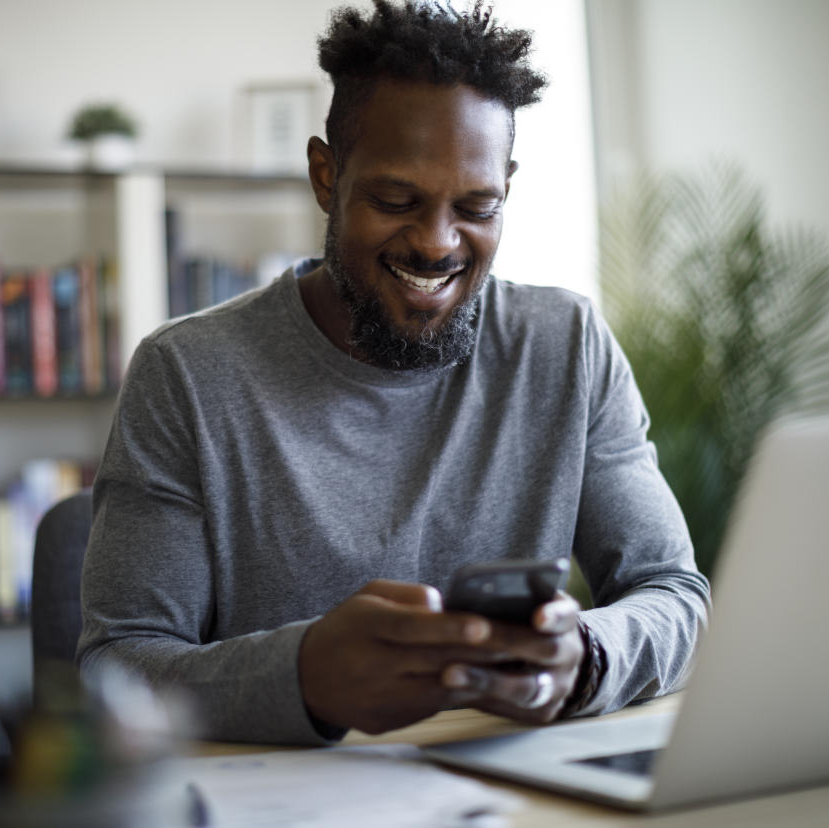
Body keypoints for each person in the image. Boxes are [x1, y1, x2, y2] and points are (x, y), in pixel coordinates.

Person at [77, 0, 710, 745]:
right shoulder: (186, 376)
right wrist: (304, 675)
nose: (438, 243)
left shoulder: (566, 346)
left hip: (511, 789)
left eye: (477, 206)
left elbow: (673, 594)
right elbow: (116, 672)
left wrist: (588, 659)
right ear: (325, 176)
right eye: (396, 200)